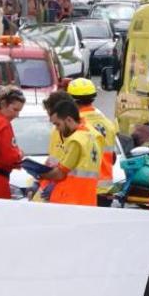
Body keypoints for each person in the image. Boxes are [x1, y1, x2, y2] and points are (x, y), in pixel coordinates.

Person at [38, 99, 101, 206]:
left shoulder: (76, 140)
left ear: (69, 120)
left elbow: (59, 174)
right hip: (86, 199)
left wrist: (39, 173)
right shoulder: (91, 135)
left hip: (70, 200)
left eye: (58, 124)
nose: (57, 129)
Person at [67, 78, 118, 207]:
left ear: (71, 100)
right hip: (104, 192)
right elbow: (112, 157)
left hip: (81, 190)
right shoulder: (108, 123)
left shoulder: (74, 124)